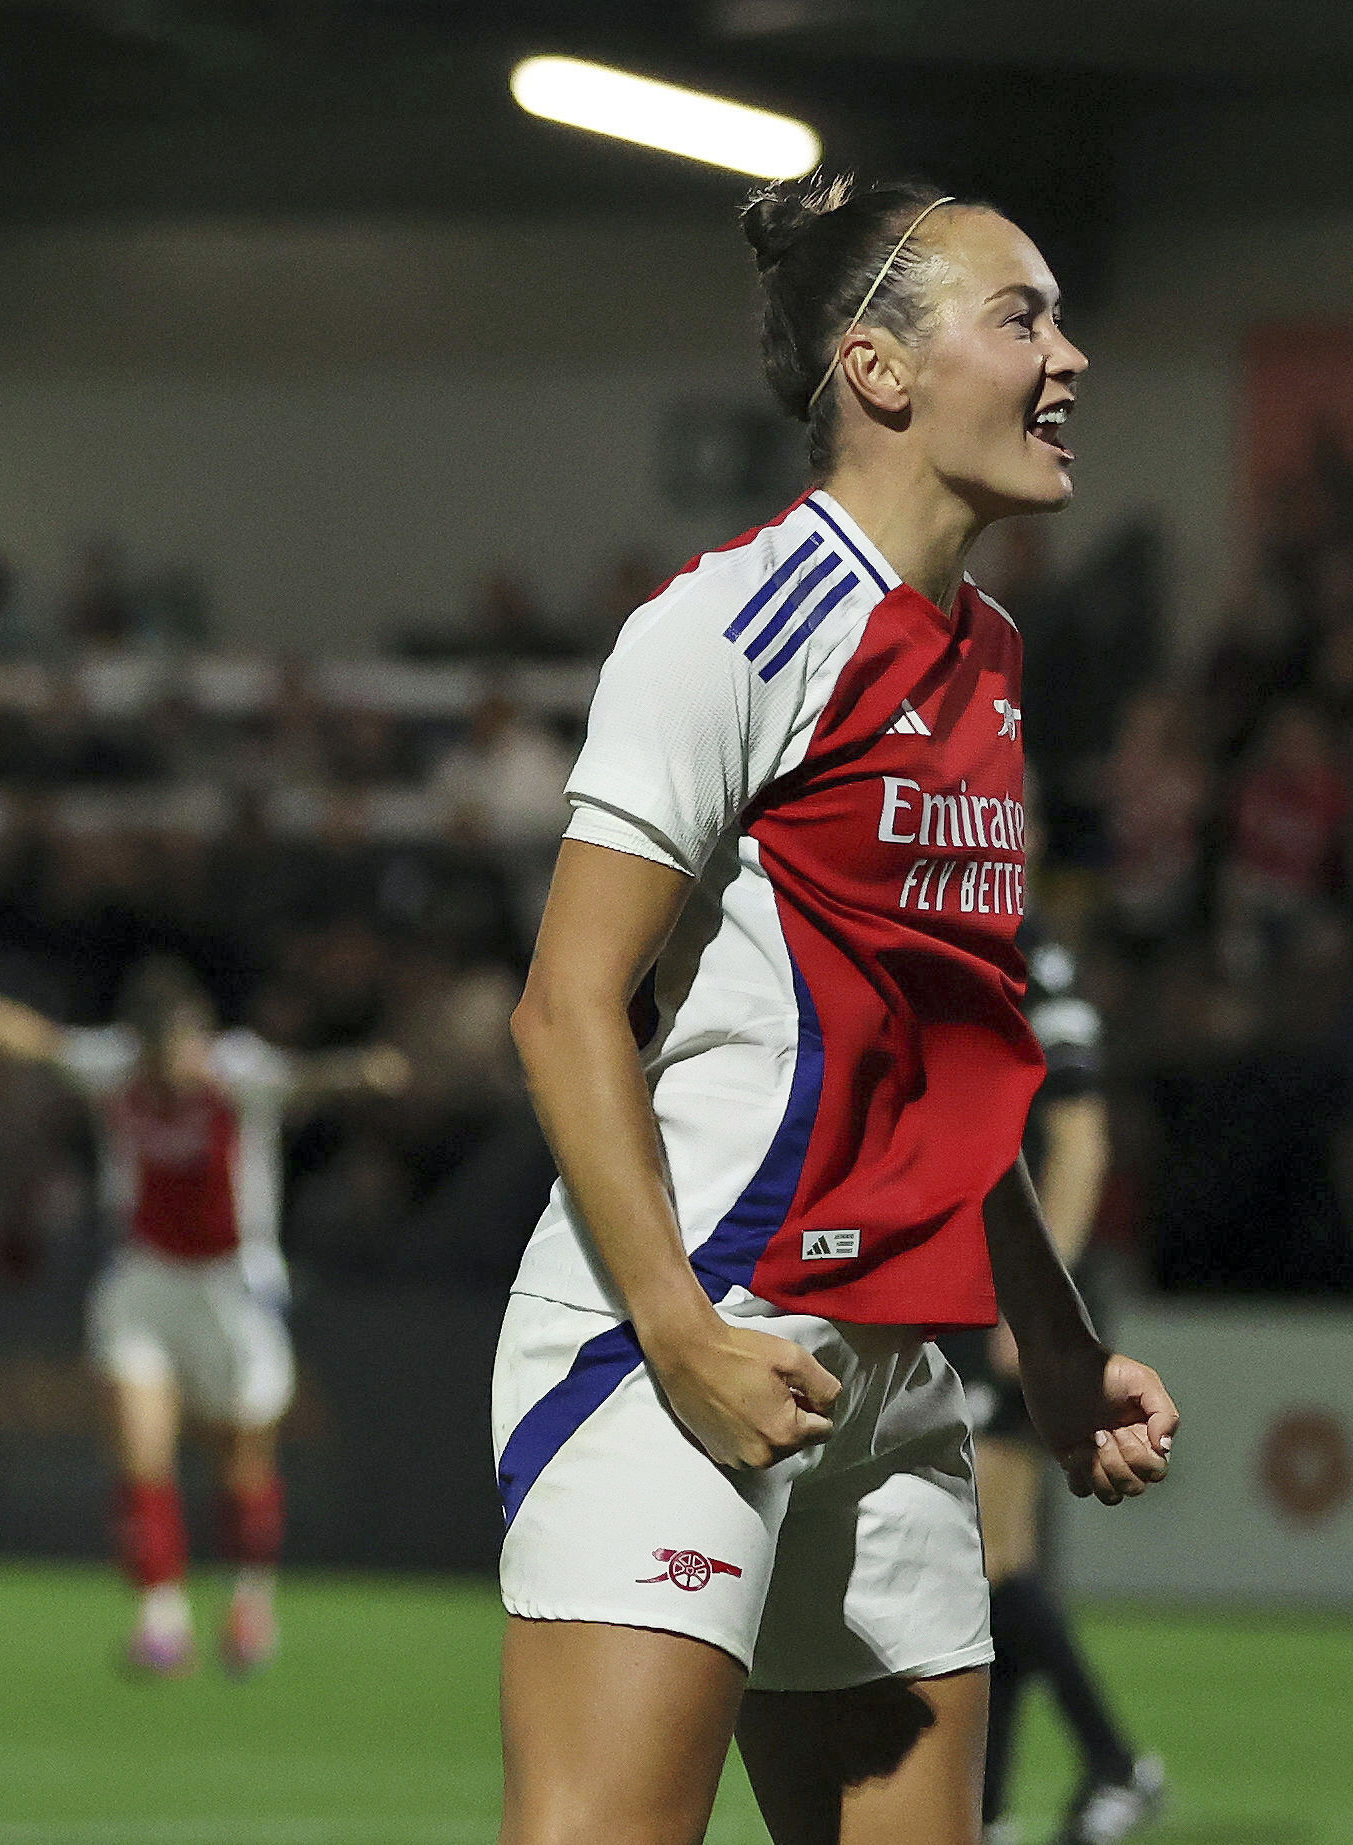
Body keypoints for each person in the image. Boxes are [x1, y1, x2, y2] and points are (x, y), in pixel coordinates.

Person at [492, 168, 1178, 1845]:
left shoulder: (988, 658)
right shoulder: (730, 625)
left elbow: (946, 1066)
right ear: (877, 370)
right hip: (689, 1338)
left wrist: (1050, 1336)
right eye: (1021, 317)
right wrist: (675, 1329)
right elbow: (565, 1007)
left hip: (891, 1380)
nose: (1068, 356)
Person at [0, 954, 407, 1675]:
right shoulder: (117, 1069)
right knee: (141, 1450)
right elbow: (38, 1040)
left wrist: (361, 1070)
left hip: (232, 1288)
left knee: (243, 1463)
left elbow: (305, 1079)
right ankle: (161, 1621)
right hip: (145, 1283)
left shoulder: (237, 1074)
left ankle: (248, 1597)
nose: (172, 1073)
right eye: (159, 1058)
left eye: (180, 1053)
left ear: (198, 1037)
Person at [944, 914, 1162, 1845]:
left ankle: (1115, 1761)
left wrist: (1041, 1309)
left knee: (991, 1562)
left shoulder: (1033, 953)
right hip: (958, 1289)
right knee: (1000, 1571)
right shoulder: (934, 926)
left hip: (1012, 1298)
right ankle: (994, 1809)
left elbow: (1081, 1139)